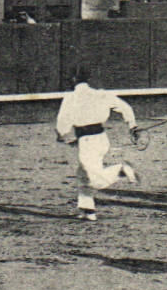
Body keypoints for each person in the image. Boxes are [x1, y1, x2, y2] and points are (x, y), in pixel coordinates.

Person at [55, 66, 141, 221]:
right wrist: (132, 126)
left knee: (94, 179)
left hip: (87, 141)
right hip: (101, 138)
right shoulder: (101, 94)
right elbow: (126, 108)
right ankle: (88, 211)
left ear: (74, 79)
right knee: (83, 174)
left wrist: (62, 135)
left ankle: (121, 170)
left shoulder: (70, 97)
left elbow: (62, 122)